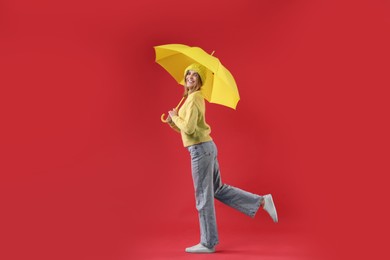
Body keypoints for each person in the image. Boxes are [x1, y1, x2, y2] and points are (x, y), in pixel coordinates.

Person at [166, 63, 278, 254]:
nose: (190, 77)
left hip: (201, 150)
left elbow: (190, 129)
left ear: (200, 81)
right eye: (188, 74)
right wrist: (172, 122)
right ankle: (260, 201)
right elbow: (188, 130)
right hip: (205, 147)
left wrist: (176, 117)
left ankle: (208, 243)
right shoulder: (191, 98)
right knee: (217, 189)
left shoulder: (194, 99)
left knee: (204, 196)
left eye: (195, 75)